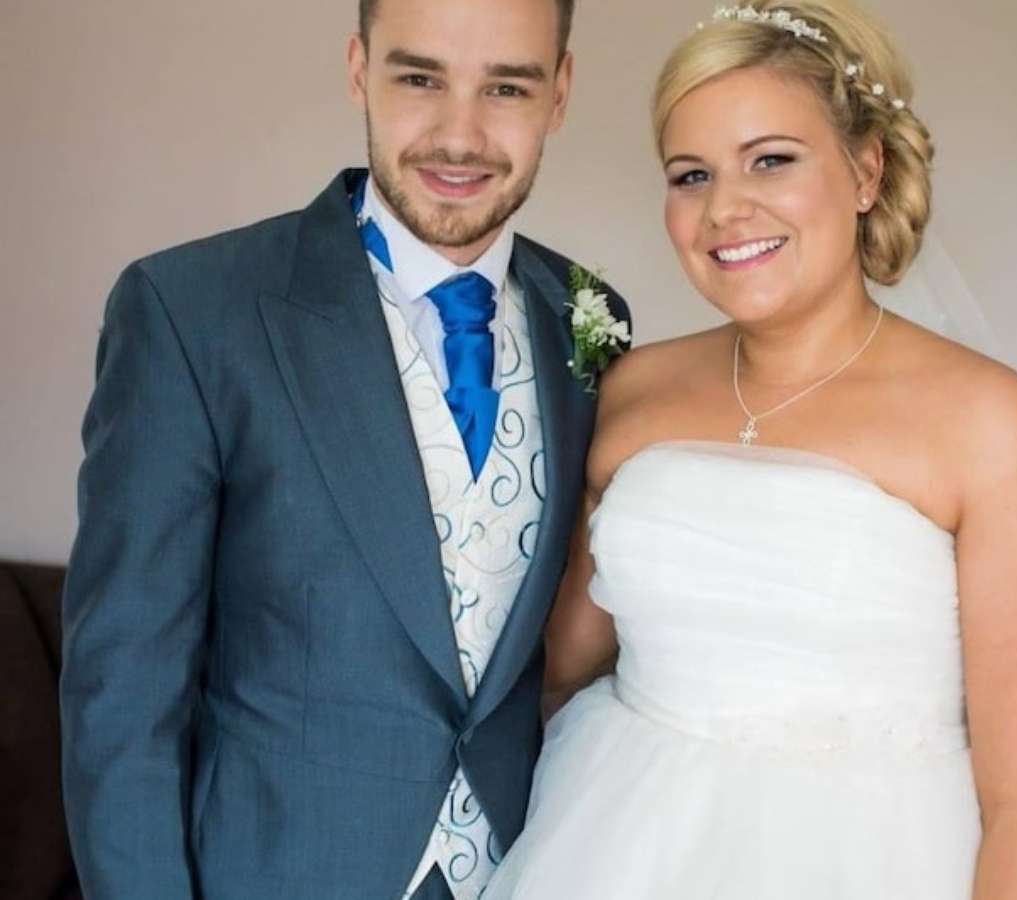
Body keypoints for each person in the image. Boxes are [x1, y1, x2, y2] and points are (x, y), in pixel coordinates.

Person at [485, 1, 1017, 897]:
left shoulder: (990, 422)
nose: (725, 209)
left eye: (772, 160)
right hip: (618, 841)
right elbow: (546, 669)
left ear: (865, 171)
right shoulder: (634, 389)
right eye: (691, 175)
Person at [59, 1, 629, 898]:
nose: (460, 136)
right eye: (420, 77)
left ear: (558, 94)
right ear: (360, 69)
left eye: (507, 88)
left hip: (523, 868)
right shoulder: (192, 310)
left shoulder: (590, 318)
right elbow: (122, 692)